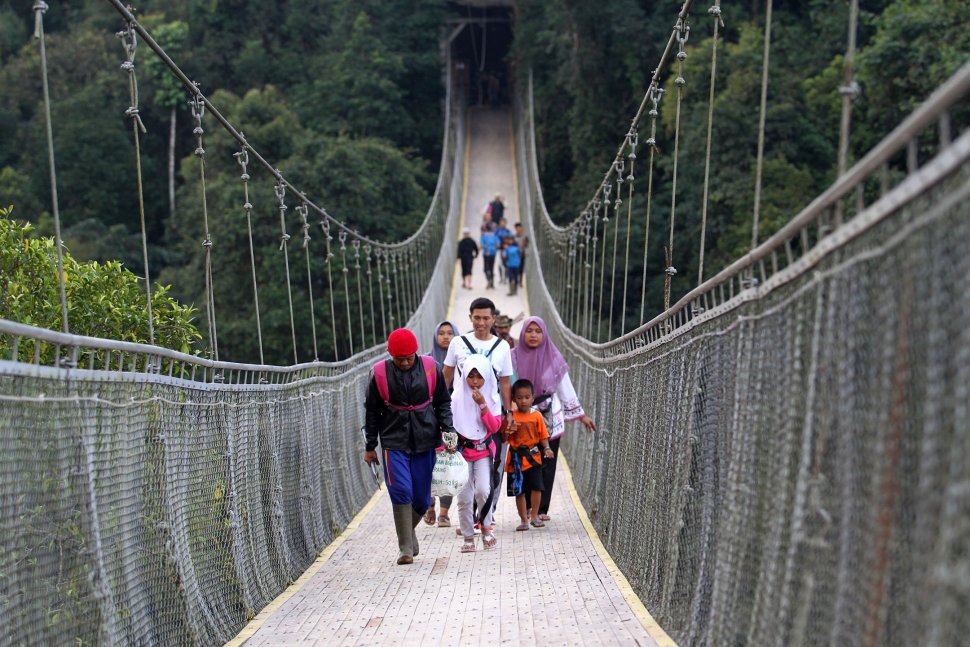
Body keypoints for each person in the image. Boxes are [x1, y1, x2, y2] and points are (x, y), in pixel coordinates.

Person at [364, 328, 455, 565]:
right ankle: (405, 549)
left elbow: (443, 402)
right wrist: (370, 445)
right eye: (399, 358)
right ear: (390, 355)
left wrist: (448, 429)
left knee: (423, 500)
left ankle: (408, 533)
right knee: (401, 490)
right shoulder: (380, 374)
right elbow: (372, 412)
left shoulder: (430, 367)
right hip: (394, 440)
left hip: (426, 438)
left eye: (408, 357)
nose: (404, 362)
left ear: (415, 352)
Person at [511, 317, 597, 521]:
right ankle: (528, 509)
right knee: (525, 461)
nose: (533, 335)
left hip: (549, 416)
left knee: (547, 463)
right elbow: (506, 384)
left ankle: (541, 509)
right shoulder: (512, 356)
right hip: (522, 418)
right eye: (529, 331)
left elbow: (564, 388)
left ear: (544, 334)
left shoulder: (553, 358)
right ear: (522, 334)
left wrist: (581, 415)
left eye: (538, 331)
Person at [443, 297, 514, 521]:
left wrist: (508, 412)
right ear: (470, 318)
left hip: (490, 415)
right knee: (463, 468)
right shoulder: (458, 343)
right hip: (460, 418)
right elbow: (446, 376)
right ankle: (468, 518)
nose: (481, 323)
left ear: (493, 319)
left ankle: (486, 514)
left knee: (492, 466)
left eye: (485, 318)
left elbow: (504, 381)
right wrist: (438, 408)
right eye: (476, 318)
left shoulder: (502, 347)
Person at [452, 354, 503, 552]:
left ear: (487, 377)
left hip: (483, 451)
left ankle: (486, 528)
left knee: (483, 490)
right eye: (471, 376)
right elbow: (449, 425)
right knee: (464, 497)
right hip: (463, 453)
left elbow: (494, 427)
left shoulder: (492, 397)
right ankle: (467, 537)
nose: (475, 381)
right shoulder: (456, 397)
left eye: (479, 376)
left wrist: (483, 405)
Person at [505, 378, 554, 530]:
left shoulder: (537, 416)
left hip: (533, 457)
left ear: (533, 397)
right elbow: (504, 438)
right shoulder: (511, 416)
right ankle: (523, 520)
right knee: (519, 490)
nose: (523, 401)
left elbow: (543, 435)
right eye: (519, 398)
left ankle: (534, 515)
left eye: (527, 397)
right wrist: (508, 430)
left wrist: (546, 448)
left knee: (536, 487)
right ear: (513, 399)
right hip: (516, 459)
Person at [424, 320, 460, 528]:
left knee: (449, 466)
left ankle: (444, 513)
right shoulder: (426, 362)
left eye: (450, 333)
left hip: (454, 421)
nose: (446, 337)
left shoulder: (463, 360)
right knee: (430, 465)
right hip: (430, 421)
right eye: (441, 333)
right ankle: (429, 504)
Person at [480, 223, 499, 290]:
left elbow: (481, 246)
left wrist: (485, 247)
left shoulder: (483, 236)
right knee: (491, 268)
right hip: (493, 253)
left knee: (486, 269)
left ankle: (489, 280)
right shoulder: (494, 236)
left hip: (486, 254)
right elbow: (498, 245)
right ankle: (492, 283)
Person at [514, 223, 529, 287]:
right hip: (515, 255)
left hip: (522, 255)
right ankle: (515, 281)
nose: (518, 229)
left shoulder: (525, 237)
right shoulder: (514, 237)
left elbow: (527, 245)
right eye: (517, 228)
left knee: (521, 269)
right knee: (516, 268)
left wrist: (523, 244)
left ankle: (520, 282)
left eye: (519, 228)